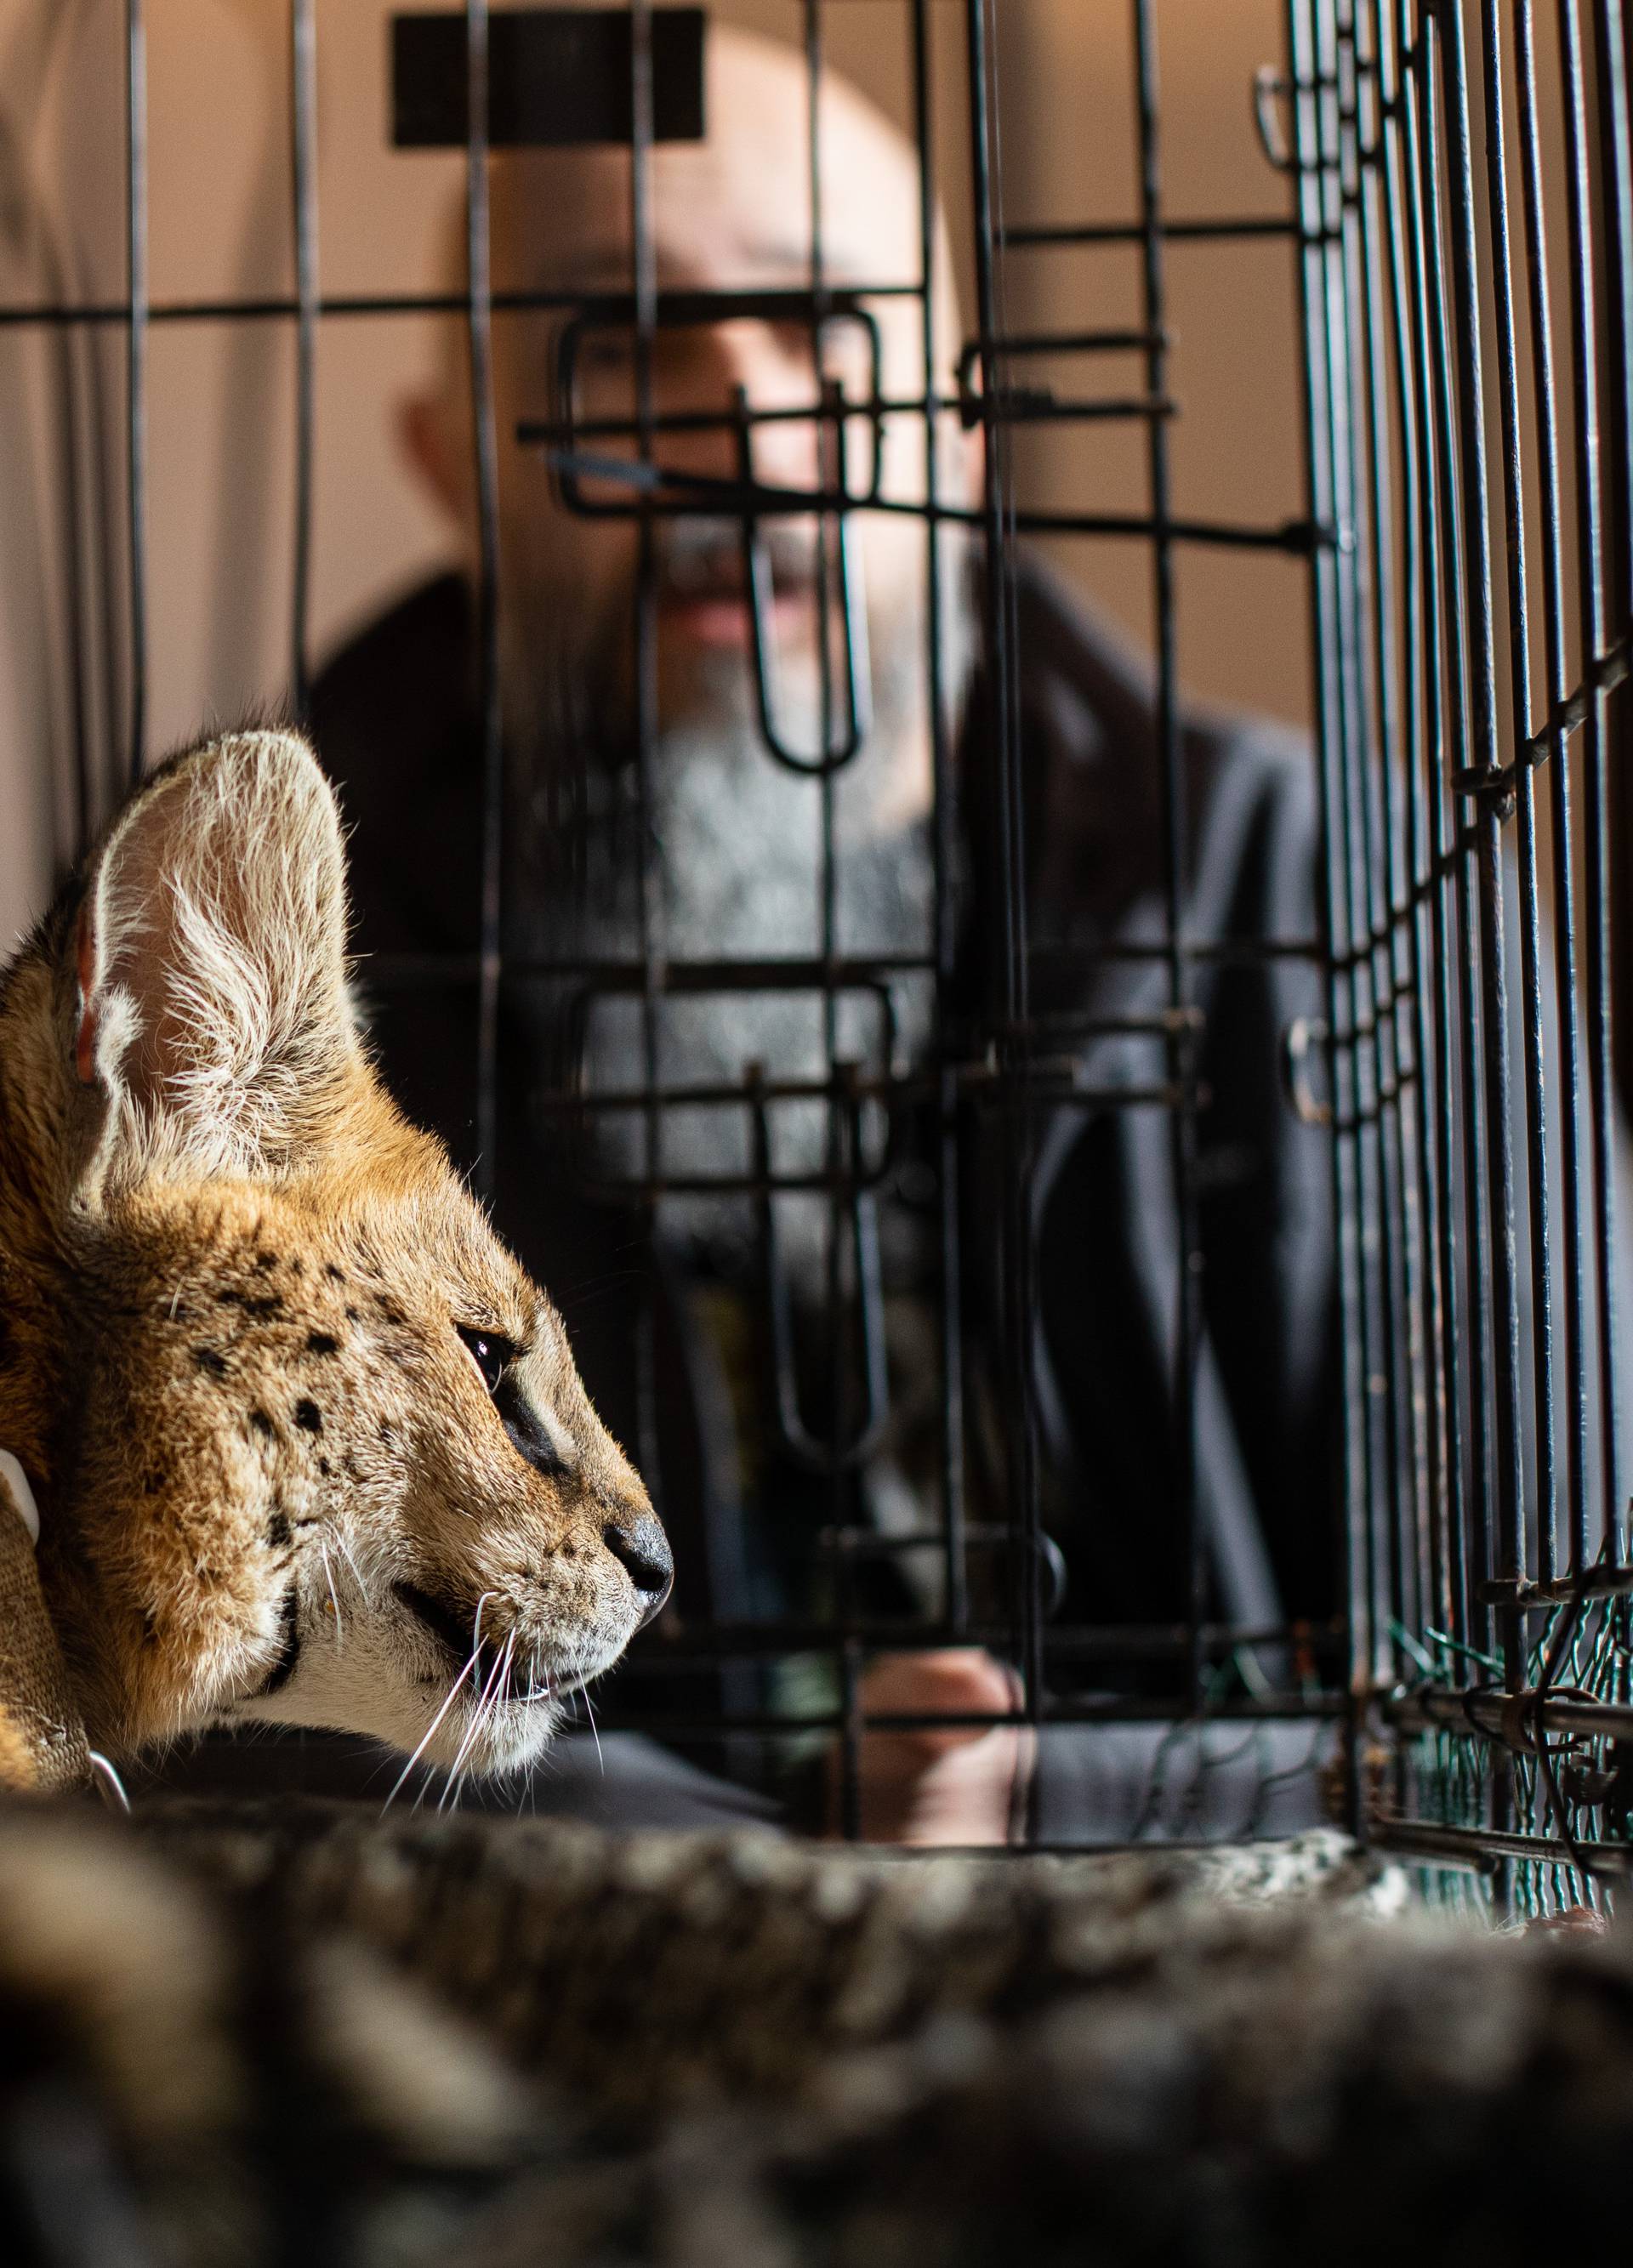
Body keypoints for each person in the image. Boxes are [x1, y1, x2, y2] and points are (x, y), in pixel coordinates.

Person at [309, 26, 1340, 1844]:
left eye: (822, 333)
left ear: (961, 425)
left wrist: (1055, 1795)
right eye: (617, 345)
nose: (748, 441)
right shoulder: (266, 988)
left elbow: (1557, 1698)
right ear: (453, 462)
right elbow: (174, 1703)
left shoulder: (1317, 895)